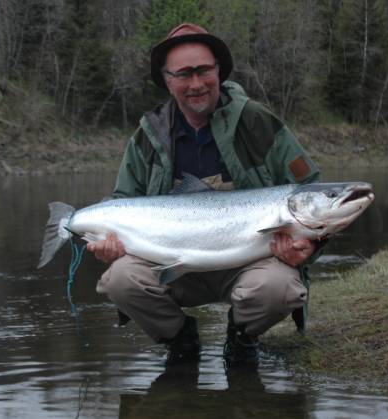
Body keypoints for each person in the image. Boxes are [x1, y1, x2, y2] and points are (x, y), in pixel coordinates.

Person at [88, 23, 323, 365]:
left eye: (204, 70)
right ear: (167, 80)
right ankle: (180, 339)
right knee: (121, 280)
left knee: (280, 289)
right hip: (171, 265)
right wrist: (110, 244)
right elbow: (123, 201)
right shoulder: (147, 137)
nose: (196, 83)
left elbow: (311, 192)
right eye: (184, 74)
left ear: (219, 71)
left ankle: (241, 337)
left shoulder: (259, 122)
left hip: (250, 261)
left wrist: (310, 246)